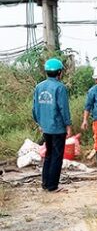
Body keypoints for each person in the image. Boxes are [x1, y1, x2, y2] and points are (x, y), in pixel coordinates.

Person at [33, 58, 72, 192]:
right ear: (59, 72)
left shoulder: (39, 87)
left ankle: (45, 183)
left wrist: (39, 122)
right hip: (57, 127)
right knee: (57, 156)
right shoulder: (60, 87)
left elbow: (35, 108)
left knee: (48, 155)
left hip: (46, 128)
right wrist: (68, 125)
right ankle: (52, 186)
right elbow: (63, 108)